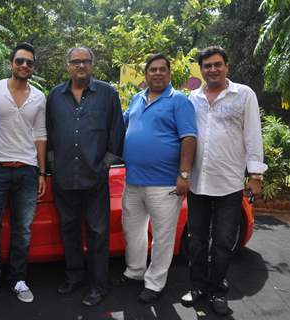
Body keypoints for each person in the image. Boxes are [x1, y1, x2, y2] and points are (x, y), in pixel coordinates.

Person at [180, 46, 267, 316]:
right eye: (207, 66)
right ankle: (197, 288)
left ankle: (218, 291)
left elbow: (253, 134)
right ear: (202, 70)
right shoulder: (191, 98)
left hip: (229, 184)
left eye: (218, 64)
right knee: (195, 241)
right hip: (198, 184)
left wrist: (255, 174)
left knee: (222, 242)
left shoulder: (243, 95)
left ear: (226, 66)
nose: (213, 69)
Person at [46, 46, 125, 307]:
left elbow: (116, 132)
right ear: (67, 65)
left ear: (92, 64)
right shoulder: (55, 96)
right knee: (68, 230)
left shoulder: (107, 93)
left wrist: (105, 164)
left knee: (97, 232)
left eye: (86, 61)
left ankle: (99, 285)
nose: (81, 66)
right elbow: (48, 132)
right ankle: (74, 277)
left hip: (95, 178)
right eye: (76, 61)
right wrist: (52, 164)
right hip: (64, 178)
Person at [120, 54, 197, 303]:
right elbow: (122, 127)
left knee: (163, 236)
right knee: (133, 231)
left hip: (165, 183)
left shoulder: (179, 101)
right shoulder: (135, 99)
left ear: (169, 74)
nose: (157, 73)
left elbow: (189, 138)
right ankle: (135, 272)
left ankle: (154, 283)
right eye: (152, 70)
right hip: (133, 181)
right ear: (146, 75)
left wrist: (184, 174)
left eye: (162, 70)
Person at [0, 43, 46, 303]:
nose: (24, 65)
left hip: (27, 171)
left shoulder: (39, 96)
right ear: (11, 63)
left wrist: (41, 172)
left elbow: (40, 135)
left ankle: (18, 279)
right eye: (20, 61)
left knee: (22, 230)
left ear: (32, 67)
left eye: (29, 62)